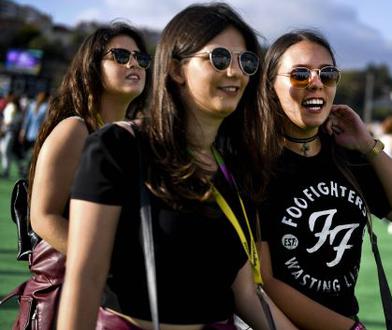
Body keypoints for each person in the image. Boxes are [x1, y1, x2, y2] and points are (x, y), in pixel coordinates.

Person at [57, 4, 296, 330]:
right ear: (175, 69)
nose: (236, 72)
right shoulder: (118, 147)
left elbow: (247, 292)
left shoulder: (233, 167)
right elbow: (85, 279)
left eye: (247, 61)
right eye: (220, 58)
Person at [257, 29, 392, 330]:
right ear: (271, 85)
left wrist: (367, 145)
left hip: (346, 320)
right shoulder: (255, 163)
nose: (316, 83)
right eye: (300, 74)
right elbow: (264, 281)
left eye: (328, 74)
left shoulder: (345, 156)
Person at [8, 23, 151, 329]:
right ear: (92, 66)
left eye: (142, 58)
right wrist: (106, 266)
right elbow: (43, 217)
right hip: (64, 299)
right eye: (121, 55)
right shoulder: (75, 129)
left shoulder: (137, 137)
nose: (134, 63)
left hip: (115, 303)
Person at [0, 92, 23, 178]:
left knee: (6, 151)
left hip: (9, 131)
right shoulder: (12, 106)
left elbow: (10, 121)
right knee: (5, 151)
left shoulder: (13, 107)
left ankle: (6, 171)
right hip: (7, 131)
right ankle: (7, 170)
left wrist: (3, 123)